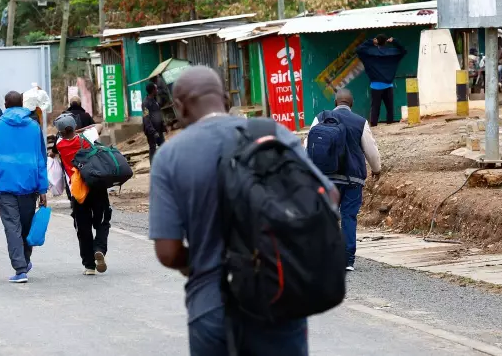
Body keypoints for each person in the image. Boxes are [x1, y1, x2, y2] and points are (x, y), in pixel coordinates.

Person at [149, 66, 317, 356]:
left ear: (179, 107)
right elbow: (327, 196)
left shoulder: (170, 156)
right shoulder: (273, 135)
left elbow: (168, 252)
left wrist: (199, 263)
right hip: (280, 299)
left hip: (212, 307)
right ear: (226, 99)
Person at [307, 89, 382, 272]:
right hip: (352, 179)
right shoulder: (360, 122)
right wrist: (376, 169)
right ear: (351, 104)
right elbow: (371, 150)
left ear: (335, 103)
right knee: (348, 216)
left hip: (325, 178)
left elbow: (308, 145)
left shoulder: (321, 117)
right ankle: (347, 260)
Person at [0, 91, 48, 283]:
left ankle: (20, 269)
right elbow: (41, 159)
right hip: (29, 186)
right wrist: (43, 189)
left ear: (6, 104)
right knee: (25, 227)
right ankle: (24, 262)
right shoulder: (34, 127)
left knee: (12, 227)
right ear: (22, 104)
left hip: (5, 186)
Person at [53, 113, 112, 276]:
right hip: (96, 184)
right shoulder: (87, 137)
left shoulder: (59, 144)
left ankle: (89, 265)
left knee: (82, 226)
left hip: (77, 190)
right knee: (102, 219)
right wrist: (89, 129)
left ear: (61, 132)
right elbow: (100, 126)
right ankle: (99, 248)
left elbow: (59, 141)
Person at [356, 34, 407, 127]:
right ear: (385, 42)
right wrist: (395, 41)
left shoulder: (370, 53)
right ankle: (390, 126)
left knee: (375, 108)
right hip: (388, 85)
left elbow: (359, 49)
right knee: (390, 108)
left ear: (377, 42)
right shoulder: (393, 53)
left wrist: (371, 41)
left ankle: (374, 126)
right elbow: (403, 50)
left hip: (376, 86)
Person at [142, 83, 166, 163]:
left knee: (163, 146)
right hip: (152, 131)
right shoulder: (146, 103)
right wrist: (153, 131)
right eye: (156, 89)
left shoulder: (154, 100)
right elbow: (146, 118)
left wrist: (163, 126)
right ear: (153, 90)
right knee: (153, 148)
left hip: (158, 129)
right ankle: (153, 166)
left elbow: (158, 114)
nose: (157, 90)